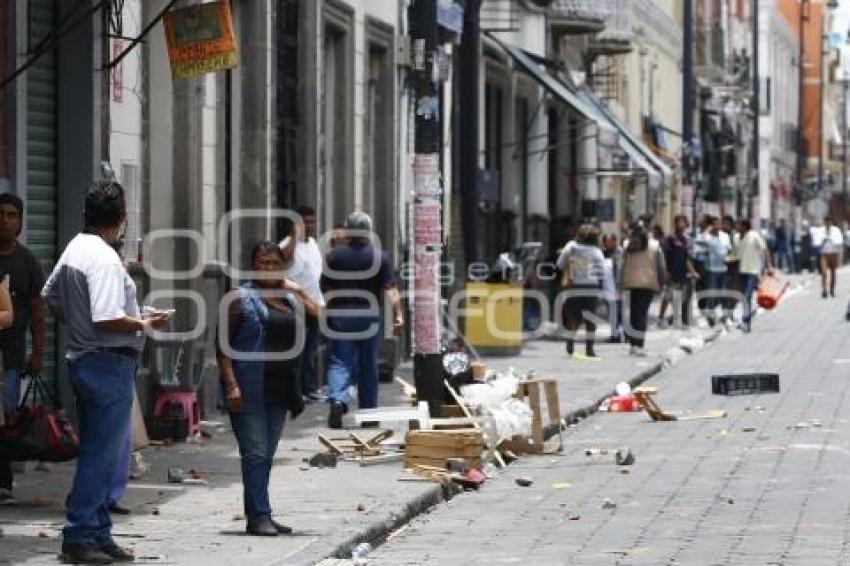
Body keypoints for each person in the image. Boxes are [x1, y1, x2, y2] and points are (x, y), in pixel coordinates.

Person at [42, 180, 171, 564]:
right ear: (121, 218)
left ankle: (98, 533)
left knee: (104, 451)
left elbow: (50, 296)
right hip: (106, 362)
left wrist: (78, 324)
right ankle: (80, 535)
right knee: (101, 455)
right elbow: (108, 317)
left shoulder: (74, 248)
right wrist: (146, 323)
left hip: (88, 358)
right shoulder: (101, 256)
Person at [217, 241, 318, 537]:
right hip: (249, 388)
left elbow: (320, 315)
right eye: (262, 263)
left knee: (265, 455)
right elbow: (222, 348)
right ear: (252, 266)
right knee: (256, 454)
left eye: (275, 263)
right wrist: (231, 385)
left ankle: (260, 515)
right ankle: (259, 516)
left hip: (280, 389)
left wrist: (295, 288)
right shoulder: (239, 298)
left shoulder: (287, 299)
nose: (268, 269)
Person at [321, 212, 403, 429]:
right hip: (368, 316)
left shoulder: (334, 257)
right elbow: (391, 289)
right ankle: (368, 411)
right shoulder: (380, 257)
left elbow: (327, 289)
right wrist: (398, 314)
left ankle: (338, 399)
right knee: (368, 363)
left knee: (340, 361)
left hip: (341, 314)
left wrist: (326, 314)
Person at [0, 193, 45, 504]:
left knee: (5, 417)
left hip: (11, 358)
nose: (5, 220)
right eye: (0, 214)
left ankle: (3, 481)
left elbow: (38, 312)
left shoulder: (27, 262)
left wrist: (38, 353)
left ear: (20, 221)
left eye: (12, 215)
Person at [279, 206, 325, 402]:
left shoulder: (313, 243)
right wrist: (293, 237)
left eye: (312, 222)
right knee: (297, 351)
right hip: (295, 305)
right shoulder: (288, 243)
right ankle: (296, 391)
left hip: (314, 304)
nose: (310, 226)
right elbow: (282, 259)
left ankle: (309, 387)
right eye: (304, 222)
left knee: (310, 350)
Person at [556, 224, 605, 360]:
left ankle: (570, 339)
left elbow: (559, 264)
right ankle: (589, 349)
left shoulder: (571, 247)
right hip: (591, 286)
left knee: (574, 316)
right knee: (590, 318)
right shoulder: (597, 251)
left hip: (575, 285)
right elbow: (602, 271)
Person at [620, 224, 666, 357]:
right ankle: (639, 345)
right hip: (648, 283)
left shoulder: (627, 245)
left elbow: (621, 265)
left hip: (631, 283)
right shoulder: (655, 246)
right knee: (641, 314)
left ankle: (633, 344)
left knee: (634, 313)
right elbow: (661, 267)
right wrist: (662, 282)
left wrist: (620, 282)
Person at [659, 215, 699, 329]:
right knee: (668, 296)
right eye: (680, 222)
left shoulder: (685, 240)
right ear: (675, 224)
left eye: (684, 222)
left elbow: (686, 259)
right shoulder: (670, 239)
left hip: (681, 272)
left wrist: (693, 271)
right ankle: (661, 317)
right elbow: (664, 255)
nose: (682, 225)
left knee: (678, 296)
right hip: (671, 271)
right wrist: (665, 270)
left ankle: (676, 319)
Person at [735, 219, 773, 333]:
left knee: (747, 295)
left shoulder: (754, 235)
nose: (737, 227)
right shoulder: (738, 238)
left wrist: (769, 265)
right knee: (744, 297)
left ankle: (745, 320)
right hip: (741, 271)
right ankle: (747, 322)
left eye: (739, 225)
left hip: (752, 271)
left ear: (744, 226)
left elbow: (765, 249)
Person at [702, 216, 733, 327]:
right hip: (711, 270)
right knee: (712, 293)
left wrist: (728, 258)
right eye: (714, 224)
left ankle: (723, 316)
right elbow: (701, 243)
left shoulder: (725, 236)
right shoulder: (707, 237)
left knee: (723, 293)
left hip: (723, 269)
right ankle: (710, 315)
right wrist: (708, 230)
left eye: (718, 224)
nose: (717, 226)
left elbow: (729, 249)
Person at [602, 234, 624, 343]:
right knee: (612, 312)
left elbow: (621, 269)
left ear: (615, 241)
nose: (607, 244)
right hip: (608, 286)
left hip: (618, 286)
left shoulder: (621, 253)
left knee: (620, 312)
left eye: (610, 242)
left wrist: (620, 286)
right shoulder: (603, 253)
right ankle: (615, 334)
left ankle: (621, 334)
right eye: (606, 242)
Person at [820, 216, 844, 298]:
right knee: (824, 272)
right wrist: (822, 240)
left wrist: (831, 239)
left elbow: (840, 240)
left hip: (833, 254)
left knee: (833, 273)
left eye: (829, 222)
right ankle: (824, 290)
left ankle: (832, 290)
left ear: (831, 222)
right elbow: (816, 242)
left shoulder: (836, 230)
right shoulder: (821, 230)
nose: (827, 224)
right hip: (824, 254)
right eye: (826, 222)